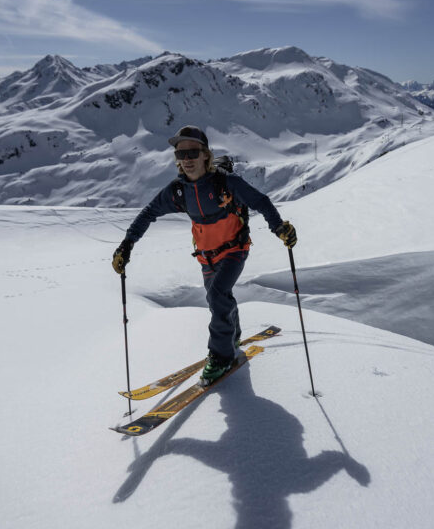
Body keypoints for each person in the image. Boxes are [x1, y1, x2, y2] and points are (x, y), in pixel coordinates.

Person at [112, 125, 297, 384]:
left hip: (235, 250)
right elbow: (148, 213)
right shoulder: (178, 191)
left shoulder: (226, 183)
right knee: (216, 300)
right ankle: (232, 335)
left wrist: (279, 228)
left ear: (205, 155)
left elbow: (261, 202)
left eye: (192, 153)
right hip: (206, 256)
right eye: (180, 154)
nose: (186, 160)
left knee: (217, 293)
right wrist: (126, 246)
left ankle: (222, 357)